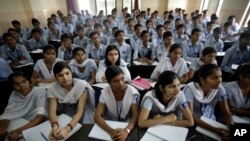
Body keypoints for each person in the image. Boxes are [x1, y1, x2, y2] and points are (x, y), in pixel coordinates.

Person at [183, 64, 233, 140]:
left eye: (220, 77)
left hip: (211, 121)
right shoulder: (191, 89)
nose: (219, 81)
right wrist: (215, 130)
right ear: (202, 79)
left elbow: (226, 112)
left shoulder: (219, 89)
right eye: (214, 78)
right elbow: (190, 115)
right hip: (194, 123)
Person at [47, 62, 95, 140]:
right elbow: (52, 111)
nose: (65, 78)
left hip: (83, 113)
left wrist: (67, 129)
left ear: (71, 73)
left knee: (84, 134)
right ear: (55, 77)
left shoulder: (81, 85)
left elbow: (80, 111)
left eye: (67, 73)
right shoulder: (53, 88)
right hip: (65, 113)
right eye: (60, 75)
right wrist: (55, 126)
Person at [94, 66, 139, 141]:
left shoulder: (131, 91)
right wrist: (111, 131)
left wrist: (126, 130)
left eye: (122, 79)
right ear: (108, 82)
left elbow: (135, 115)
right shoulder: (105, 92)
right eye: (115, 81)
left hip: (127, 124)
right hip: (110, 123)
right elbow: (97, 116)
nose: (121, 83)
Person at [0, 72, 47, 141]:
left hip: (34, 124)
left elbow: (40, 117)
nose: (22, 86)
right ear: (12, 86)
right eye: (17, 84)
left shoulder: (39, 92)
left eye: (24, 81)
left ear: (28, 81)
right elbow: (8, 114)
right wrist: (2, 128)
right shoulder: (14, 94)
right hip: (19, 122)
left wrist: (18, 131)